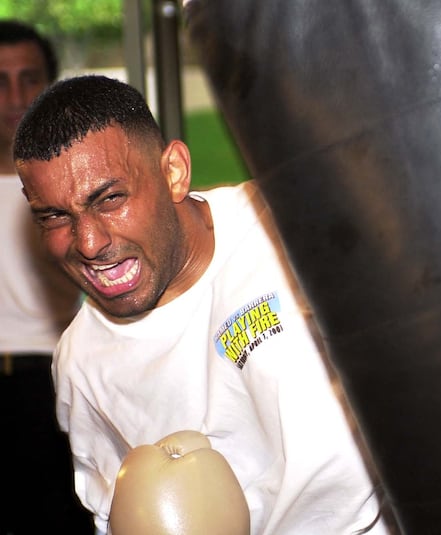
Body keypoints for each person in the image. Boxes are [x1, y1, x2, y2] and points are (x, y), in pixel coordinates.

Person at [14, 74, 390, 535]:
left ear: (173, 171)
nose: (89, 243)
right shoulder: (82, 363)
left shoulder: (293, 228)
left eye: (110, 199)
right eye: (55, 216)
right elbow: (116, 514)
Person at [0, 20, 93, 534]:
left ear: (49, 85)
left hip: (53, 382)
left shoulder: (72, 186)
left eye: (29, 77)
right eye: (0, 80)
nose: (15, 96)